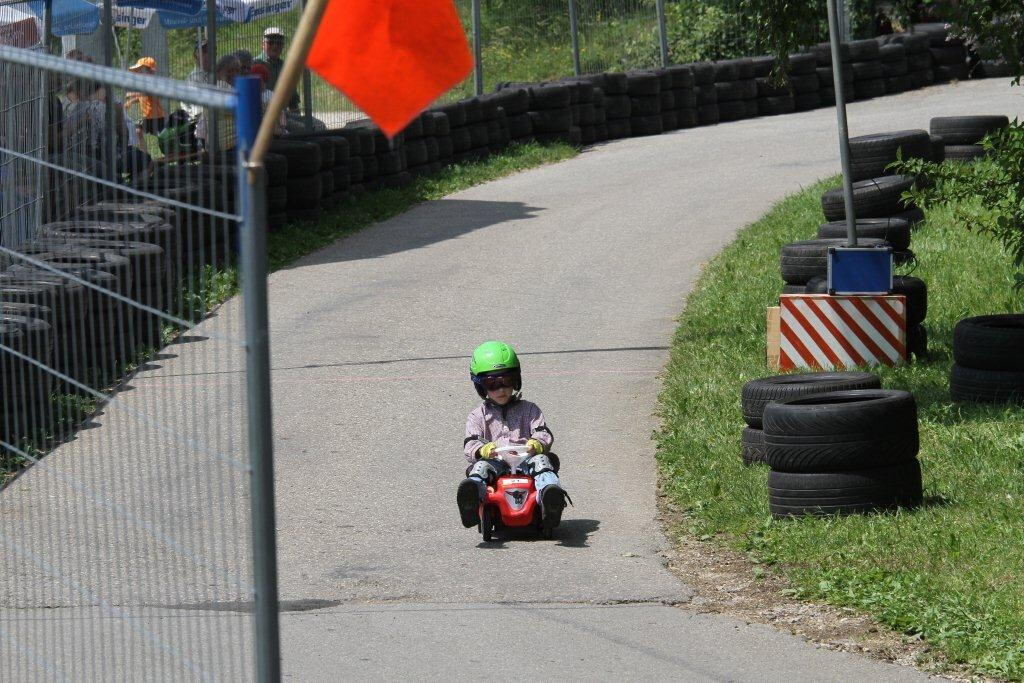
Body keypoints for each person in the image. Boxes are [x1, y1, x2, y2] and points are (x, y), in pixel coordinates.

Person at [456, 341, 570, 532]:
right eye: (492, 384)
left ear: (516, 380)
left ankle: (550, 498)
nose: (501, 389)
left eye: (506, 381)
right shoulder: (478, 416)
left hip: (526, 463)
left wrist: (536, 443)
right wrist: (483, 449)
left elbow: (543, 433)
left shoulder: (530, 409)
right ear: (481, 386)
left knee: (542, 461)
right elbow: (470, 445)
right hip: (496, 464)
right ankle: (472, 498)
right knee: (480, 467)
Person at [196, 54, 239, 153]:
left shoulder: (211, 89)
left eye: (237, 71)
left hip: (214, 146)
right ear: (218, 73)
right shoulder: (223, 87)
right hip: (230, 146)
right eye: (230, 71)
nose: (234, 74)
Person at [255, 26, 300, 112]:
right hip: (261, 114)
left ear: (283, 46)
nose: (275, 46)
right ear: (263, 45)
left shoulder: (286, 67)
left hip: (283, 115)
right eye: (271, 42)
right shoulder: (255, 65)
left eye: (279, 43)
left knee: (316, 125)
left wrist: (299, 119)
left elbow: (293, 100)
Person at [251, 63, 286, 136]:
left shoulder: (271, 95)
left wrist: (282, 126)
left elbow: (281, 112)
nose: (258, 83)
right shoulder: (251, 95)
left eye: (260, 80)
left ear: (265, 80)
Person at [182, 39, 211, 120]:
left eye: (211, 51)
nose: (208, 54)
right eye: (204, 52)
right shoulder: (193, 79)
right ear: (195, 56)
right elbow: (198, 113)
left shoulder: (218, 74)